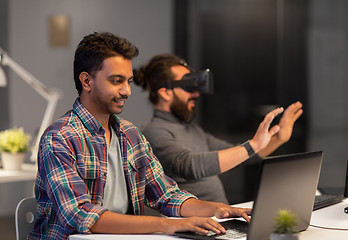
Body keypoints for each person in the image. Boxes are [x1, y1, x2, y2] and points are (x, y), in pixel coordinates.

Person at [28, 32, 287, 239]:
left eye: (128, 81)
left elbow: (166, 195)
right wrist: (166, 225)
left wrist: (219, 210)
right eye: (116, 81)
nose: (127, 91)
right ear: (87, 81)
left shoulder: (130, 134)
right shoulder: (59, 138)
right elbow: (83, 217)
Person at [134, 53, 303, 204]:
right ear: (165, 93)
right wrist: (253, 145)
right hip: (195, 225)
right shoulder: (153, 132)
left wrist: (278, 138)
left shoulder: (193, 130)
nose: (196, 94)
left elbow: (240, 155)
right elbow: (187, 165)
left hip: (221, 218)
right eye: (189, 87)